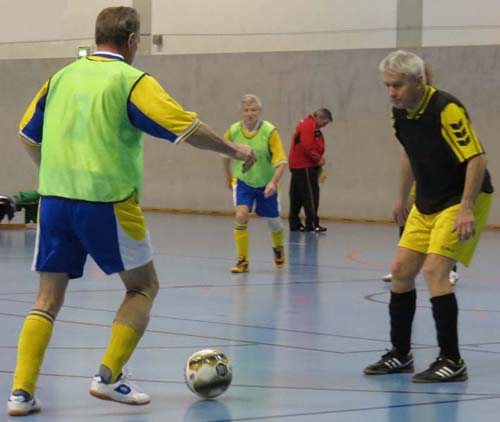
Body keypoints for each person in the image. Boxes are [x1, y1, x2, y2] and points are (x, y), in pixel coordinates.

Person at [8, 6, 256, 417]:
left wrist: (52, 173)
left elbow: (27, 133)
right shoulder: (129, 80)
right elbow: (185, 127)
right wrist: (234, 149)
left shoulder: (62, 76)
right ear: (133, 41)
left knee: (47, 298)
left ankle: (20, 393)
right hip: (107, 203)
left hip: (54, 202)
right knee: (142, 286)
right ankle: (107, 377)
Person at [364, 50, 493, 383]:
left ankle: (452, 359)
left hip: (461, 196)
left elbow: (477, 158)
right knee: (401, 271)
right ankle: (400, 354)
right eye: (387, 86)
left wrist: (466, 207)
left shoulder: (445, 109)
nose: (391, 93)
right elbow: (411, 154)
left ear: (418, 81)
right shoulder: (401, 114)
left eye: (397, 86)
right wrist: (402, 197)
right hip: (427, 199)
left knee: (435, 271)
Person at [223, 94, 287, 273]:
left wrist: (273, 182)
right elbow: (223, 153)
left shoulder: (269, 131)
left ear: (259, 112)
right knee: (241, 215)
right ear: (241, 112)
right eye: (246, 110)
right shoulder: (233, 131)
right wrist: (228, 176)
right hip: (243, 182)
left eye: (253, 110)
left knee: (274, 223)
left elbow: (281, 162)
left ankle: (278, 247)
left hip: (266, 183)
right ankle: (242, 260)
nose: (250, 113)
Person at [382, 183, 459, 286]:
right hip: (422, 180)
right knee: (406, 215)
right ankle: (404, 267)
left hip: (446, 183)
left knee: (442, 223)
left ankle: (450, 271)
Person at [288, 108, 332, 232]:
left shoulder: (309, 125)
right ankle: (312, 223)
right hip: (304, 166)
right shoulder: (309, 125)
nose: (325, 126)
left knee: (296, 195)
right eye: (325, 122)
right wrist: (318, 159)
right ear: (320, 117)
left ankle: (294, 222)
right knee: (311, 195)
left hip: (297, 165)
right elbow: (308, 146)